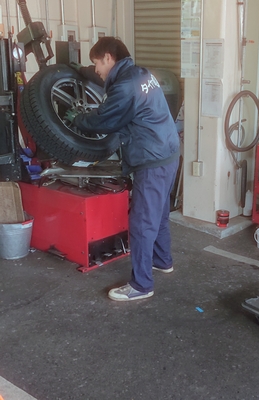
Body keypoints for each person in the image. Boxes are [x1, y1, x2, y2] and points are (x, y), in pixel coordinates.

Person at [66, 37, 180, 301]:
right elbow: (112, 83)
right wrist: (83, 71)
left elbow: (104, 120)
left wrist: (78, 119)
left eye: (96, 64)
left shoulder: (126, 86)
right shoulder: (140, 74)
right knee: (159, 215)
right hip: (168, 153)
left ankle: (141, 285)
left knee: (141, 224)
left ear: (108, 57)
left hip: (151, 161)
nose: (96, 70)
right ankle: (162, 260)